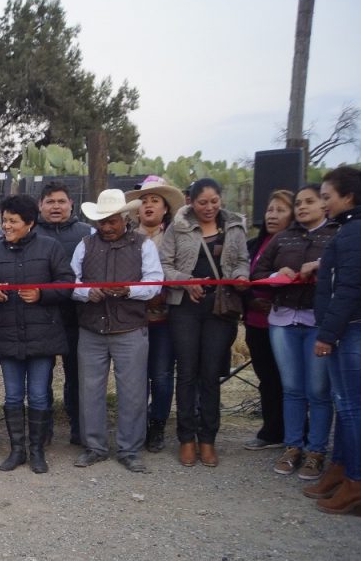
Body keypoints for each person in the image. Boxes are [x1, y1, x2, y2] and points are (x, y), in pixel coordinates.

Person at [0, 194, 74, 473]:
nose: (6, 226)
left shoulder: (50, 247)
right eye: (4, 220)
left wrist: (42, 294)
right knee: (13, 396)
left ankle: (37, 451)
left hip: (43, 335)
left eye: (13, 221)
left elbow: (67, 283)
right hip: (6, 335)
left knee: (40, 396)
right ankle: (17, 450)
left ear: (29, 222)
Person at [70, 190, 164, 473]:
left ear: (125, 218)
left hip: (130, 328)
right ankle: (95, 447)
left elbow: (155, 282)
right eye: (102, 222)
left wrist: (129, 290)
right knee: (90, 391)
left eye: (112, 221)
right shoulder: (85, 244)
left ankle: (130, 449)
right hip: (91, 328)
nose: (107, 227)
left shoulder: (143, 245)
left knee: (133, 391)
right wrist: (87, 293)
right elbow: (70, 282)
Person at [160, 177, 250, 467]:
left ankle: (208, 439)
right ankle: (186, 438)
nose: (209, 207)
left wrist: (240, 276)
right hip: (185, 307)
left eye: (214, 201)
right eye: (202, 202)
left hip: (220, 308)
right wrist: (187, 281)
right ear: (191, 202)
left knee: (211, 374)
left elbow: (242, 261)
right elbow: (164, 266)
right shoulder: (177, 227)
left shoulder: (235, 226)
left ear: (221, 200)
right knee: (186, 373)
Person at [251, 185, 336, 480]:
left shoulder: (337, 234)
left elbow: (350, 266)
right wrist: (278, 277)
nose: (302, 207)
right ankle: (293, 447)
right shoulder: (282, 238)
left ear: (324, 205)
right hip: (283, 321)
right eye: (298, 203)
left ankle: (316, 452)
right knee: (292, 389)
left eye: (309, 202)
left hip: (319, 322)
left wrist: (321, 266)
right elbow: (257, 275)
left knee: (319, 391)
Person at [309, 167, 361, 514]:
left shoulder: (354, 233)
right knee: (347, 405)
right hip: (349, 328)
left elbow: (349, 288)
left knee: (350, 407)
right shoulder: (349, 231)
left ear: (348, 197)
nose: (324, 203)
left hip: (350, 330)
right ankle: (342, 470)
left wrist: (328, 334)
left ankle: (357, 481)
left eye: (327, 197)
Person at [124, 176, 185, 452]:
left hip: (163, 318)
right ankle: (136, 425)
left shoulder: (176, 239)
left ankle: (157, 422)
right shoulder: (125, 238)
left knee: (160, 375)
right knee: (135, 376)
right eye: (144, 201)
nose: (148, 205)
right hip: (131, 318)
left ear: (165, 209)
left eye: (155, 201)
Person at [33, 181, 93, 447]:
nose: (55, 207)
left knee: (77, 376)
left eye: (61, 201)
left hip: (77, 317)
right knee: (41, 378)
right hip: (40, 316)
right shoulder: (30, 232)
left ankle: (79, 428)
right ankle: (42, 430)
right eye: (50, 202)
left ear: (71, 204)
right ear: (40, 206)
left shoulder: (88, 233)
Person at [242, 190, 295, 452]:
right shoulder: (254, 245)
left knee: (290, 379)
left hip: (287, 322)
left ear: (293, 215)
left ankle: (296, 433)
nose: (272, 215)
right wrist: (250, 299)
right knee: (267, 378)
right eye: (270, 209)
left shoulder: (298, 244)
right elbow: (242, 279)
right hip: (256, 322)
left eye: (280, 210)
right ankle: (271, 430)